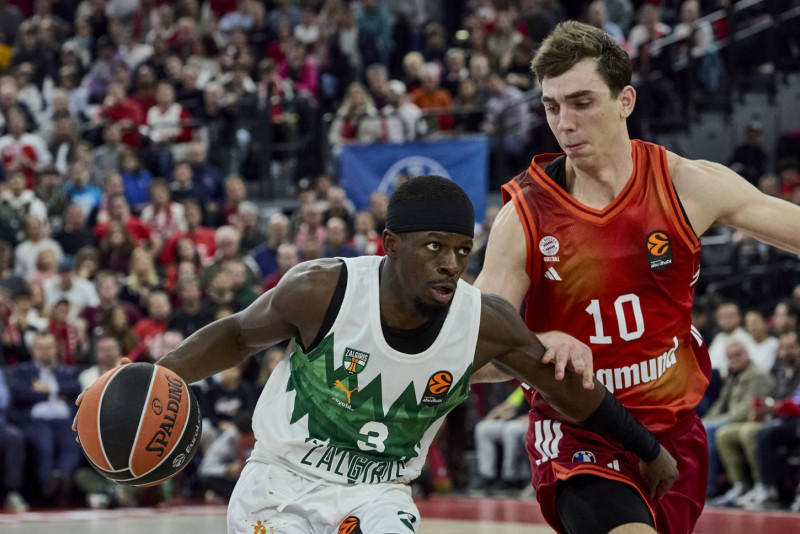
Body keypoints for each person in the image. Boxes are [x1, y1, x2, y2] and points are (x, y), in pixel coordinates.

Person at [78, 176, 677, 533]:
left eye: (461, 250)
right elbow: (237, 334)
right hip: (280, 482)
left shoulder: (483, 322)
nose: (450, 263)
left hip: (379, 494)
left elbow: (567, 391)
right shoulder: (321, 289)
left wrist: (647, 448)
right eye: (434, 247)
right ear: (390, 244)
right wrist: (152, 379)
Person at [472, 21, 800, 534]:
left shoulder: (686, 185)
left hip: (674, 431)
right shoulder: (525, 217)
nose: (564, 123)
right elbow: (469, 355)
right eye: (552, 106)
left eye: (582, 102)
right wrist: (537, 346)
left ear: (625, 100)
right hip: (580, 433)